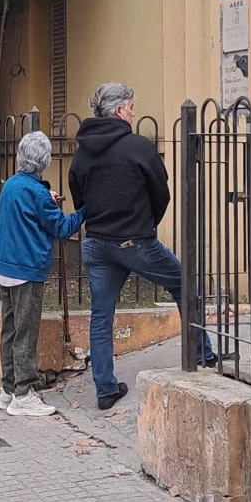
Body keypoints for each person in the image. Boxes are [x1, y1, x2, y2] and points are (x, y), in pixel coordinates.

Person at [69, 82, 223, 411]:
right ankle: (201, 354)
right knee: (184, 284)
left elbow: (78, 193)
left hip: (97, 242)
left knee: (100, 316)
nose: (134, 111)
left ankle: (105, 388)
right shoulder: (138, 146)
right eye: (131, 106)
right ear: (121, 110)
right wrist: (146, 222)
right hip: (134, 240)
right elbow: (161, 190)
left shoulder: (82, 151)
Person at [0, 131, 85, 417]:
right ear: (44, 161)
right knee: (26, 333)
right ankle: (23, 393)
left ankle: (7, 389)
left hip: (4, 267)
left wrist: (46, 197)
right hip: (26, 269)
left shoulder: (11, 185)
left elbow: (29, 207)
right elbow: (62, 228)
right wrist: (85, 210)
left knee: (9, 331)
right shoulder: (37, 193)